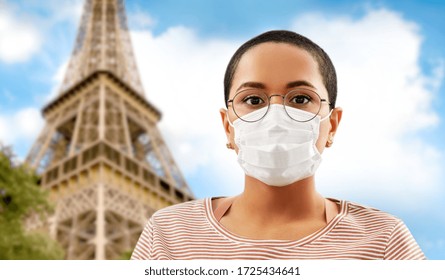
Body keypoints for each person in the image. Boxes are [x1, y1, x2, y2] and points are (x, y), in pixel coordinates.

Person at [131, 30, 425, 260]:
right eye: (253, 100)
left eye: (299, 99)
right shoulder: (169, 232)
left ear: (332, 124)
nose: (274, 117)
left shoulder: (384, 240)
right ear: (227, 126)